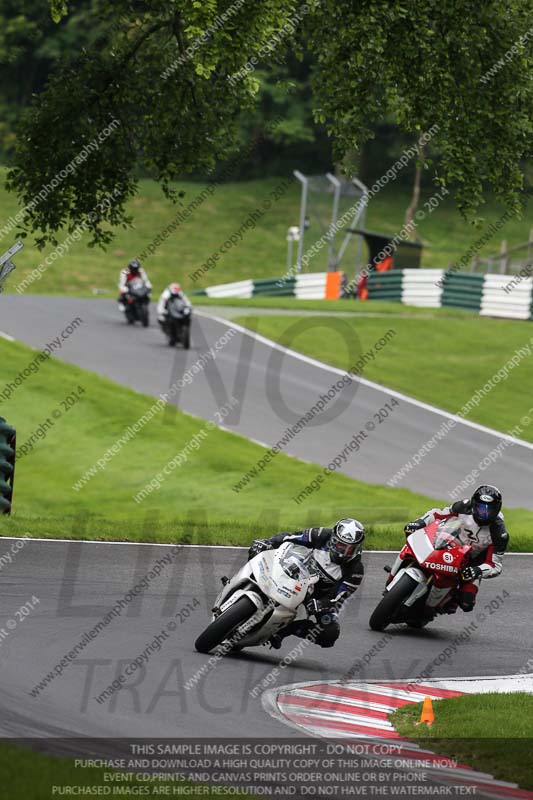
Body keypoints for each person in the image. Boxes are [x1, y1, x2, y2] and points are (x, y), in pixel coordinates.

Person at [248, 518, 365, 649]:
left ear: (357, 548)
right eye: (341, 545)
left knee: (330, 634)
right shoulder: (321, 534)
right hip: (296, 573)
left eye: (349, 549)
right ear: (333, 540)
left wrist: (322, 604)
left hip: (318, 597)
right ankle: (245, 584)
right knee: (259, 553)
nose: (343, 552)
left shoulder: (356, 570)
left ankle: (285, 631)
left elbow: (339, 597)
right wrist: (269, 542)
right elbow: (290, 537)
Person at [403, 485, 509, 613]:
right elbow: (438, 514)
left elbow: (495, 565)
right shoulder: (464, 506)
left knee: (467, 603)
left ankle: (441, 604)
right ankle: (395, 574)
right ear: (474, 505)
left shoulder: (499, 533)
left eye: (489, 510)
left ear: (497, 509)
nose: (484, 514)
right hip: (446, 542)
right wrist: (420, 522)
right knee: (414, 541)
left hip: (470, 562)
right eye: (481, 509)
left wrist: (477, 570)